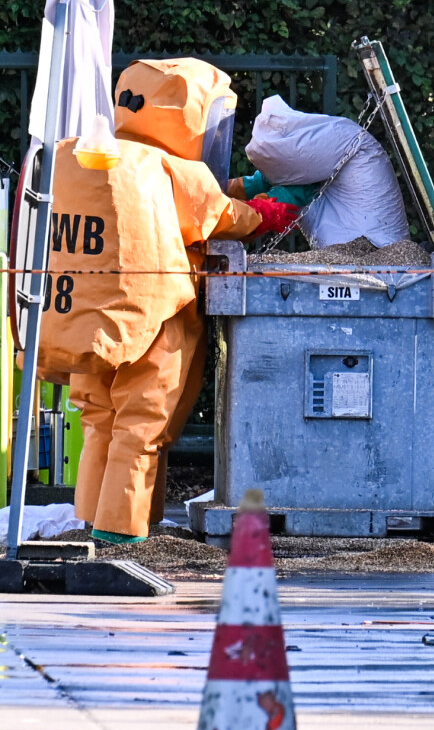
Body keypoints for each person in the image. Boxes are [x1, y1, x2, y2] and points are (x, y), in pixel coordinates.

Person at [41, 59, 298, 542]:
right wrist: (267, 210)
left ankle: (94, 519)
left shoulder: (90, 156)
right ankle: (122, 530)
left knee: (100, 418)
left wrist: (247, 186)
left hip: (90, 315)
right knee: (143, 425)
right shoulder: (171, 167)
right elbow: (220, 213)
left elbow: (201, 195)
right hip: (158, 320)